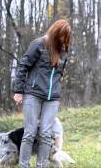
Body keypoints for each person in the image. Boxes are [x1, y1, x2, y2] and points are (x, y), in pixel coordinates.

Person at [13, 19, 72, 168]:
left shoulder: (63, 51)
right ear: (55, 32)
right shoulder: (39, 44)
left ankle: (42, 166)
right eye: (61, 36)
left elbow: (60, 73)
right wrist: (18, 91)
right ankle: (24, 165)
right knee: (30, 132)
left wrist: (57, 88)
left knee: (46, 135)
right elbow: (23, 66)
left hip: (52, 98)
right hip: (33, 94)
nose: (63, 40)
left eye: (66, 37)